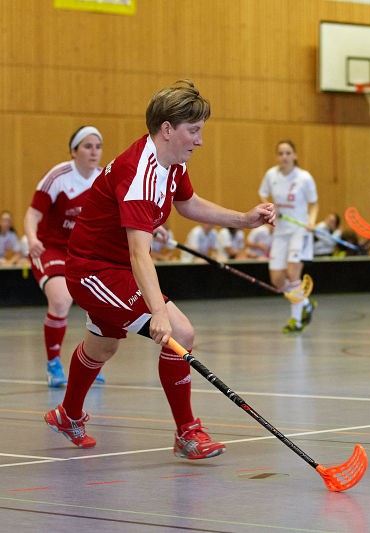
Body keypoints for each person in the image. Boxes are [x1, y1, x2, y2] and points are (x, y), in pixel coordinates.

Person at [43, 80, 276, 460]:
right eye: (194, 130)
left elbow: (188, 204)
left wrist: (244, 219)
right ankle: (187, 432)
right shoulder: (140, 172)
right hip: (94, 271)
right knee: (180, 331)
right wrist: (158, 314)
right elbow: (140, 255)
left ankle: (67, 414)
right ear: (167, 129)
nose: (200, 140)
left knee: (102, 346)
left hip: (115, 267)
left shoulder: (173, 162)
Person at [23, 126, 106, 387]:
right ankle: (53, 363)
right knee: (60, 300)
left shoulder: (105, 178)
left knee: (101, 308)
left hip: (85, 253)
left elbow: (125, 212)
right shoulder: (58, 176)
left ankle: (89, 362)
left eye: (98, 146)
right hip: (51, 249)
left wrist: (153, 226)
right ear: (74, 150)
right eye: (87, 146)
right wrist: (33, 239)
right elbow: (32, 215)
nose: (94, 152)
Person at [258, 140, 318, 334]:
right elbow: (262, 195)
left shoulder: (304, 177)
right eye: (281, 153)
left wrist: (312, 222)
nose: (284, 156)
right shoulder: (271, 175)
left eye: (288, 153)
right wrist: (271, 207)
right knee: (277, 279)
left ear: (295, 156)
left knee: (293, 273)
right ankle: (306, 303)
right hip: (280, 231)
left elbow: (314, 204)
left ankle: (296, 319)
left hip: (299, 231)